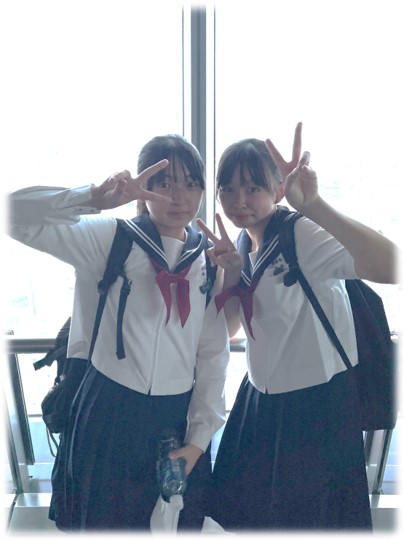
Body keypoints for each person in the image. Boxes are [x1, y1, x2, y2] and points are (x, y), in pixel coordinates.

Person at [7, 134, 230, 531]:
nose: (179, 196)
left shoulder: (209, 262)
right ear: (144, 189)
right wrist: (92, 196)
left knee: (170, 525)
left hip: (175, 418)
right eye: (165, 183)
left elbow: (213, 356)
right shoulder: (112, 238)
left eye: (190, 183)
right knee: (102, 521)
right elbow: (13, 214)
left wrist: (197, 442)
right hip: (109, 409)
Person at [197, 123, 399, 531]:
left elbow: (392, 265)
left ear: (277, 190)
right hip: (263, 403)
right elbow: (232, 329)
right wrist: (230, 275)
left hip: (316, 408)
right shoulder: (243, 243)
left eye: (252, 188)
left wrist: (316, 205)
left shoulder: (300, 234)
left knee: (310, 521)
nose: (239, 201)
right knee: (258, 519)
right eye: (228, 189)